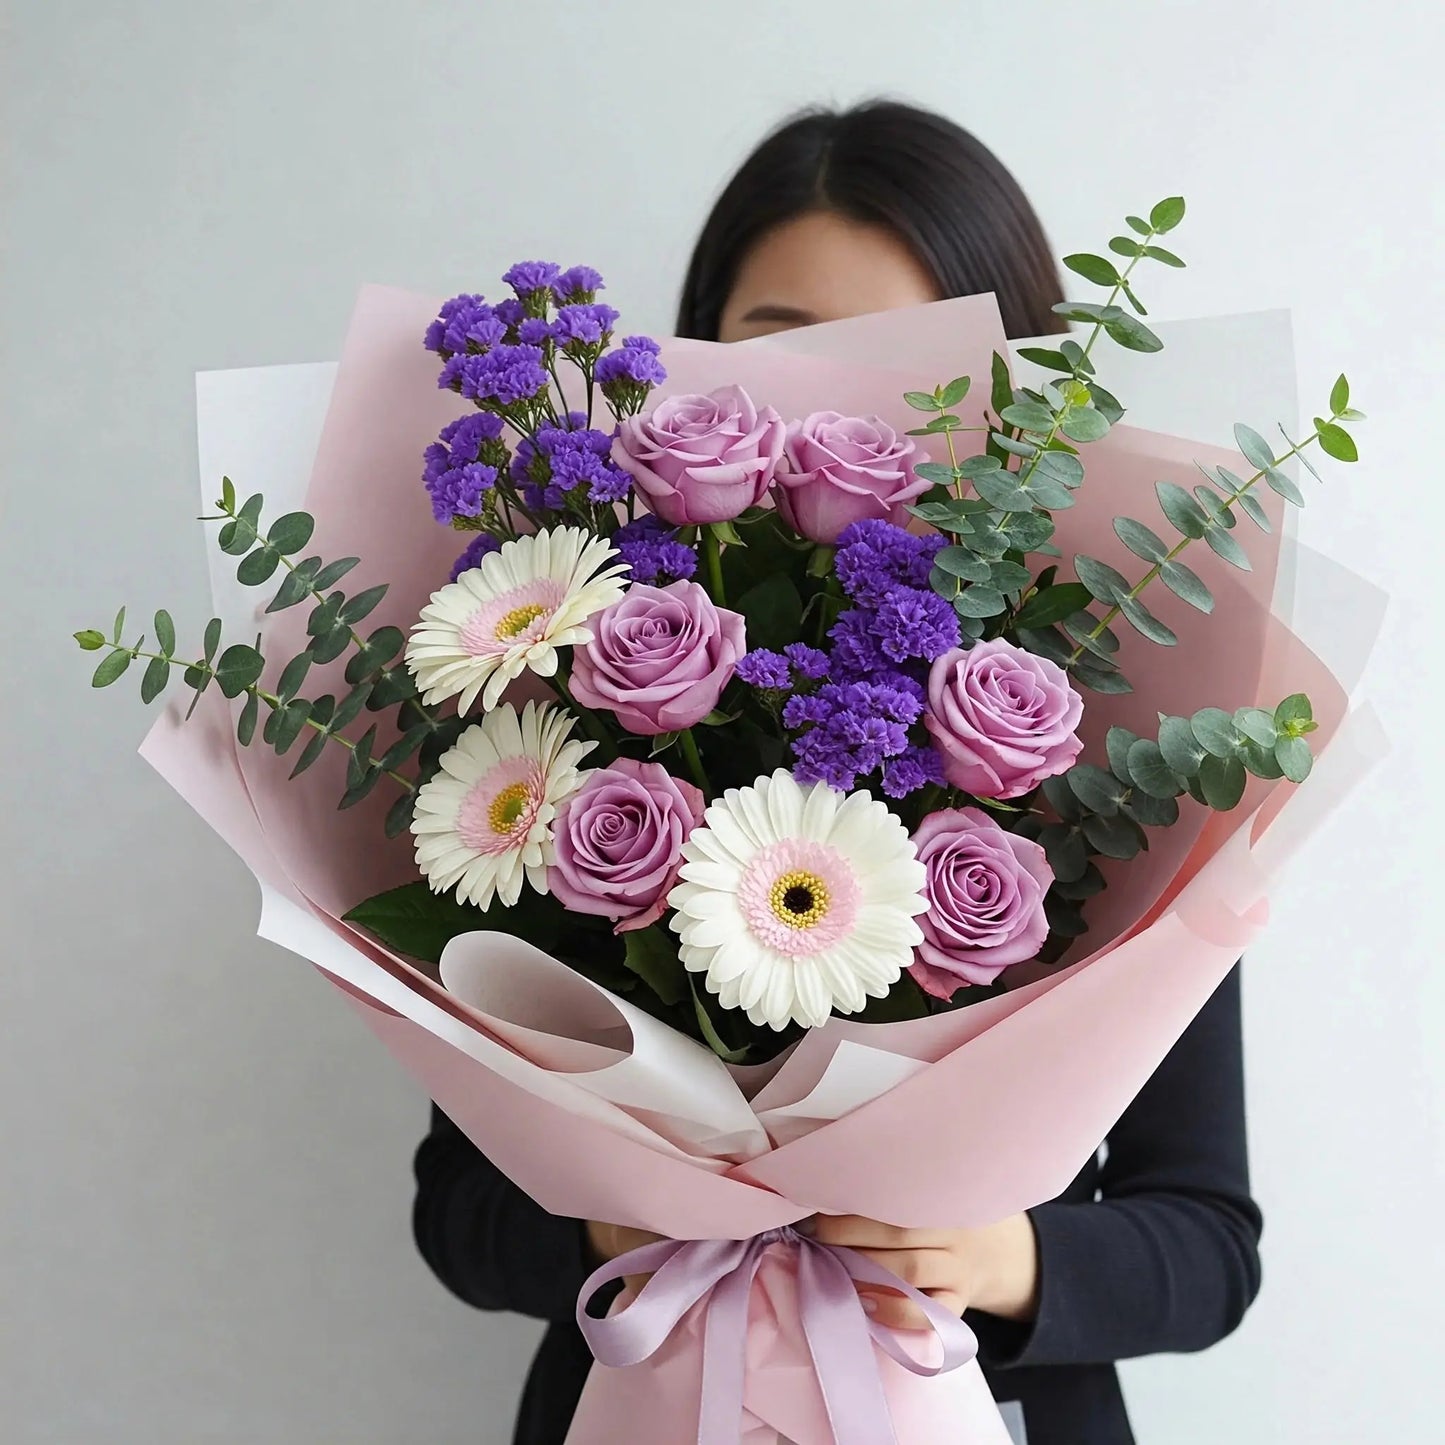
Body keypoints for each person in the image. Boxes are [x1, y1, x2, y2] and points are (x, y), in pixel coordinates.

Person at [412, 99, 1261, 1445]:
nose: (837, 406)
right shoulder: (546, 737)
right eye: (781, 347)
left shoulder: (1107, 752)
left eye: (909, 358)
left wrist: (1003, 1258)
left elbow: (1210, 1240)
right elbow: (456, 1214)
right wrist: (605, 1218)